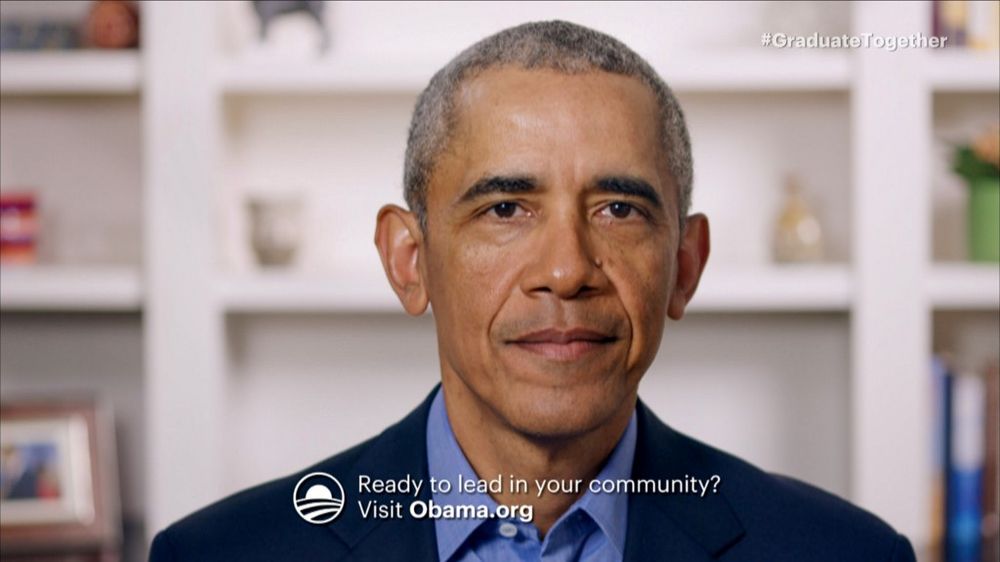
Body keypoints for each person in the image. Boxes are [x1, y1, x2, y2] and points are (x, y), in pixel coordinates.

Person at [149, 21, 917, 562]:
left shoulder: (846, 553)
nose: (566, 269)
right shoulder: (223, 553)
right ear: (409, 260)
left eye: (619, 209)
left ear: (685, 265)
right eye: (506, 209)